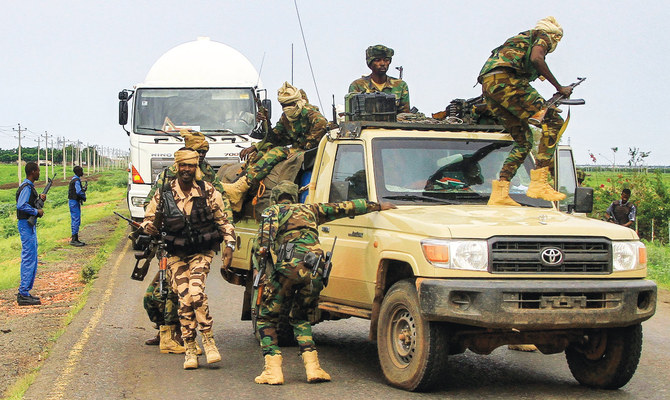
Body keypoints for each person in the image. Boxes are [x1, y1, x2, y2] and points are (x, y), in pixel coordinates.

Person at [248, 180, 396, 385]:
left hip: (288, 271)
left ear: (275, 197)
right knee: (301, 318)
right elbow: (345, 207)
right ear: (295, 196)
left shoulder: (273, 211)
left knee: (266, 317)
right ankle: (313, 368)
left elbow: (262, 245)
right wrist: (377, 206)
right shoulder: (312, 209)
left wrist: (261, 272)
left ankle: (273, 371)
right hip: (315, 271)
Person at [141, 148, 236, 370]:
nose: (186, 170)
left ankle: (209, 340)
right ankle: (190, 347)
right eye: (183, 165)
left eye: (190, 166)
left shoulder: (208, 191)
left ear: (196, 168)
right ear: (177, 167)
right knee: (184, 299)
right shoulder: (164, 193)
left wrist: (230, 244)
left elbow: (223, 221)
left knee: (196, 291)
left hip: (201, 252)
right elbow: (147, 219)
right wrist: (150, 227)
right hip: (175, 254)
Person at [479, 16, 572, 206]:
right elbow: (537, 59)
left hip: (490, 86)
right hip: (505, 80)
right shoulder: (543, 36)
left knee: (524, 141)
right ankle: (539, 183)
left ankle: (500, 192)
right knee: (553, 120)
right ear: (555, 37)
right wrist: (559, 88)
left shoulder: (522, 40)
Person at [223, 82, 328, 212]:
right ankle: (243, 186)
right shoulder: (286, 117)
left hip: (312, 153)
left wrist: (294, 150)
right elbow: (276, 138)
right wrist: (266, 123)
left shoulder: (315, 118)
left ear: (297, 102)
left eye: (289, 104)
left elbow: (312, 145)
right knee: (262, 152)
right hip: (296, 149)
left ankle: (242, 187)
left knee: (277, 152)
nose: (286, 108)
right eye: (283, 105)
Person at [16, 162, 47, 306]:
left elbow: (28, 202)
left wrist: (39, 200)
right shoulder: (27, 187)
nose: (39, 173)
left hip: (29, 225)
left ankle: (26, 292)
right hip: (25, 224)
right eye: (38, 171)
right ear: (33, 172)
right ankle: (23, 294)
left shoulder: (29, 187)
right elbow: (21, 205)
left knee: (32, 256)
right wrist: (36, 211)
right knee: (29, 257)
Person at [348, 44, 410, 114]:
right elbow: (353, 116)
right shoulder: (358, 86)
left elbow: (405, 116)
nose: (382, 63)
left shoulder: (400, 86)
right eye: (377, 60)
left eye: (386, 60)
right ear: (370, 63)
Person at [68, 166, 87, 246]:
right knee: (76, 219)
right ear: (78, 172)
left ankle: (75, 238)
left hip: (72, 201)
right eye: (81, 171)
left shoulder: (74, 179)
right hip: (74, 202)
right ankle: (74, 239)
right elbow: (78, 191)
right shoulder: (76, 180)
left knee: (74, 219)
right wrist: (83, 195)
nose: (82, 172)